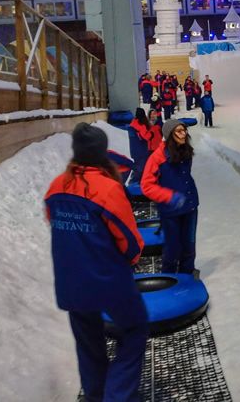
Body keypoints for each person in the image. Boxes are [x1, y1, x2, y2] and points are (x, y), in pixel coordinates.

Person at [44, 124, 147, 402]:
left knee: (89, 344)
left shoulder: (57, 186)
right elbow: (129, 241)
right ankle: (118, 395)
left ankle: (96, 395)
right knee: (135, 329)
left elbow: (52, 221)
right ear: (102, 153)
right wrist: (130, 261)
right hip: (108, 279)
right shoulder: (108, 189)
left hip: (70, 282)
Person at [141, 119, 199, 275]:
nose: (183, 134)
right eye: (178, 131)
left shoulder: (186, 151)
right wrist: (169, 196)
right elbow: (146, 186)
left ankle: (187, 276)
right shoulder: (157, 157)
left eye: (184, 130)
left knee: (189, 245)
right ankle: (170, 279)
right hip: (170, 211)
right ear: (169, 135)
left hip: (190, 206)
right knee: (173, 248)